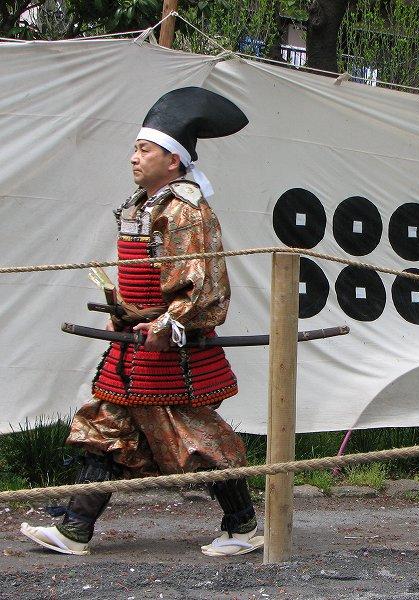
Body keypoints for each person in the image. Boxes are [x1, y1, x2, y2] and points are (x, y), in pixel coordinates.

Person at [21, 87, 262, 557]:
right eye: (134, 148)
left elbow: (202, 282)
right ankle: (75, 530)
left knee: (199, 438)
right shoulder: (140, 204)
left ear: (172, 160)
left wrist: (170, 323)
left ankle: (243, 527)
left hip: (169, 349)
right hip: (134, 344)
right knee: (108, 430)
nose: (134, 157)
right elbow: (140, 275)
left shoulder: (185, 209)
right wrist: (120, 310)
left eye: (145, 149)